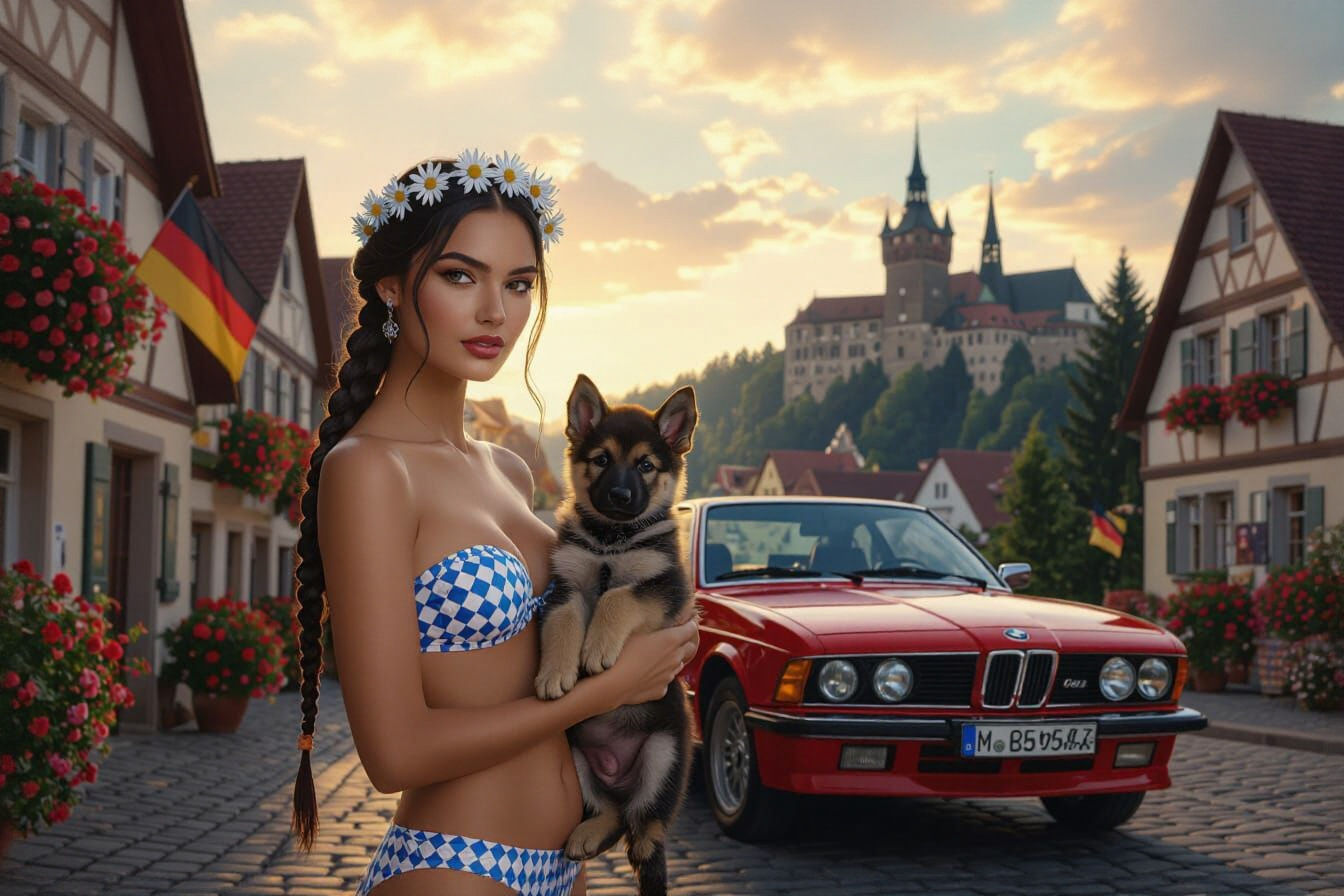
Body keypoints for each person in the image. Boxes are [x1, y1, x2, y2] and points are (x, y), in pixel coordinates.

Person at [288, 153, 701, 896]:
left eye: (518, 284)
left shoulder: (507, 469)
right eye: (459, 276)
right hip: (457, 869)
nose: (495, 312)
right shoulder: (370, 471)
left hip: (560, 868)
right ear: (391, 287)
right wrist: (603, 692)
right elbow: (395, 754)